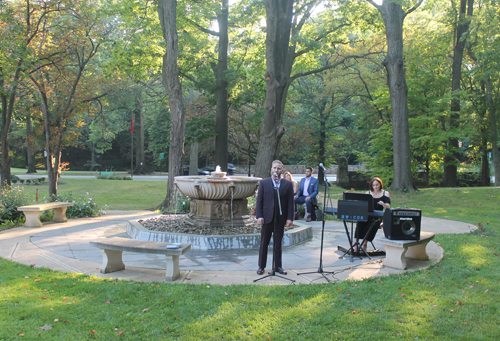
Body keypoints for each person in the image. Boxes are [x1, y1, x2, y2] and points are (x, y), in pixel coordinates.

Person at [256, 160, 294, 275]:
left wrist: (289, 218)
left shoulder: (287, 184)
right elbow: (260, 201)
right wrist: (259, 216)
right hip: (267, 218)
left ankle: (278, 266)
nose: (276, 170)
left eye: (278, 168)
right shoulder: (264, 183)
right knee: (264, 243)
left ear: (282, 171)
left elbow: (290, 202)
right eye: (274, 168)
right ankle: (261, 266)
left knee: (278, 243)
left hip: (280, 218)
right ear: (271, 169)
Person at [354, 177, 391, 252]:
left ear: (380, 184)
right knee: (360, 222)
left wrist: (383, 204)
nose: (375, 187)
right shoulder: (368, 193)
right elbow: (362, 204)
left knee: (372, 224)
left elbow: (388, 206)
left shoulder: (385, 193)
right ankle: (356, 244)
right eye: (373, 185)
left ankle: (364, 244)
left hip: (377, 216)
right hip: (367, 214)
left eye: (377, 185)